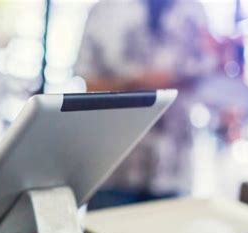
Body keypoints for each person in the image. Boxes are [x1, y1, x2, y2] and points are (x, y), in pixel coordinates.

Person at [75, 0, 218, 208]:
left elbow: (207, 74)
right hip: (115, 165)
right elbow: (89, 83)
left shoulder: (193, 10)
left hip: (173, 166)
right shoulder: (104, 10)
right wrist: (137, 83)